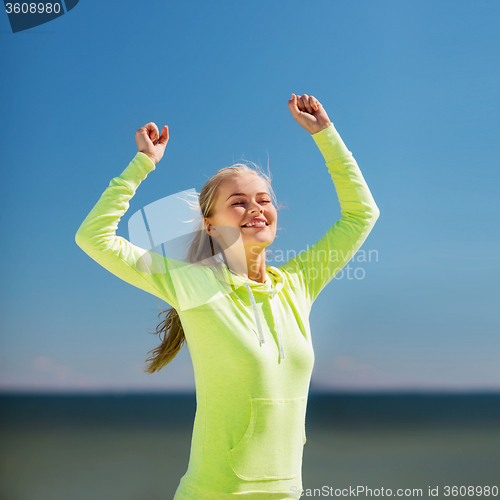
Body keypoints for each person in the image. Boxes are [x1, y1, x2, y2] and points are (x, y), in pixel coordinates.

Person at [75, 93, 380, 499]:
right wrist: (142, 164)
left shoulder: (297, 285)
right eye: (237, 203)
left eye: (263, 200)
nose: (255, 208)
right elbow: (93, 237)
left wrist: (326, 134)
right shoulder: (193, 284)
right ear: (212, 225)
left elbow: (363, 214)